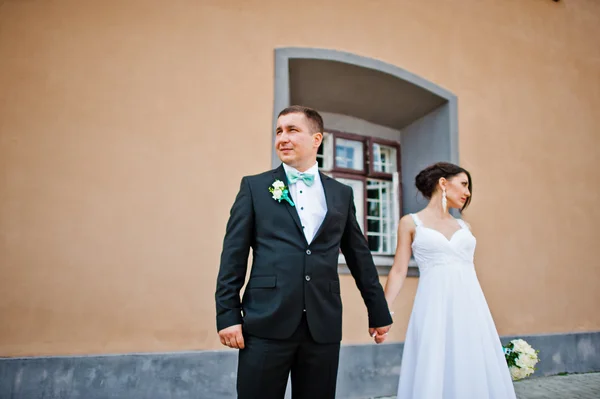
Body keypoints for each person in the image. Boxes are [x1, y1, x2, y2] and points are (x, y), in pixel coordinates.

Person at [215, 105, 393, 399]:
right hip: (265, 322)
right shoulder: (255, 187)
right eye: (278, 131)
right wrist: (228, 315)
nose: (282, 138)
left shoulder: (341, 193)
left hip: (322, 325)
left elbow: (359, 256)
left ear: (316, 139)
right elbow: (232, 256)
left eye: (292, 130)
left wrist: (378, 311)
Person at [381, 162, 517, 398]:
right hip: (434, 307)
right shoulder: (411, 223)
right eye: (464, 184)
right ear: (443, 183)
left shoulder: (465, 226)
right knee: (435, 364)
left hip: (471, 307)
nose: (468, 192)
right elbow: (399, 270)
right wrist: (381, 311)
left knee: (471, 361)